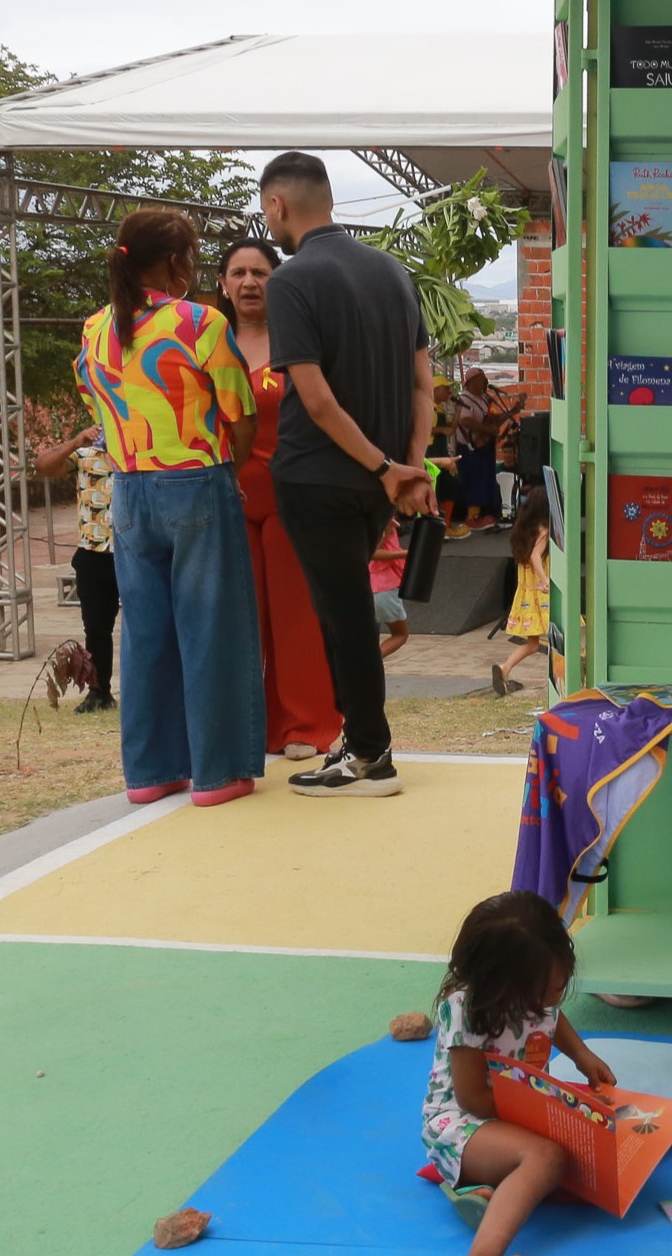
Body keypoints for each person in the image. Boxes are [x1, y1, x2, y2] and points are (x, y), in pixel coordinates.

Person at [72, 208, 262, 808]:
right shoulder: (200, 323)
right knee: (212, 628)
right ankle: (219, 772)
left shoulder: (96, 328)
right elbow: (240, 414)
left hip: (127, 490)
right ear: (178, 260)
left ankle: (152, 772)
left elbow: (94, 399)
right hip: (197, 482)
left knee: (147, 632)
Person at [260, 151, 435, 798]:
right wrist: (404, 464)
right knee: (347, 614)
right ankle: (358, 745)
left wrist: (388, 466)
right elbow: (424, 385)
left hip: (318, 476)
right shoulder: (392, 271)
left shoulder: (292, 279)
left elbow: (317, 398)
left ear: (278, 205)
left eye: (266, 208)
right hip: (374, 482)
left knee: (344, 619)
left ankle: (368, 754)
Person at [422, 891, 616, 1256]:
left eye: (560, 985)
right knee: (546, 1158)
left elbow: (554, 1018)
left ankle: (481, 1193)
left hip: (513, 1111)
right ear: (502, 985)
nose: (554, 997)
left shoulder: (537, 993)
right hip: (458, 1123)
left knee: (586, 1151)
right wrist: (543, 1115)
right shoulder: (468, 1011)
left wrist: (583, 1057)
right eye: (547, 990)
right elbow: (472, 1098)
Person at [220, 236, 342, 763]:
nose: (249, 282)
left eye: (260, 272)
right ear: (223, 285)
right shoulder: (206, 342)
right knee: (241, 620)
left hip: (291, 495)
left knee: (296, 617)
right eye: (239, 273)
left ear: (278, 281)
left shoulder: (298, 341)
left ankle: (306, 725)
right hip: (224, 498)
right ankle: (250, 726)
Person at [33, 424, 117, 714]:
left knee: (147, 627)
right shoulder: (85, 452)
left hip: (135, 552)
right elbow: (42, 465)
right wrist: (73, 442)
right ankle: (99, 691)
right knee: (96, 629)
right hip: (94, 552)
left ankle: (151, 692)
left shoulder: (140, 451)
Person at [493, 496, 549, 695]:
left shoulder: (523, 533)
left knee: (533, 644)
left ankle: (505, 667)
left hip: (526, 594)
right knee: (564, 636)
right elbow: (536, 555)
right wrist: (544, 580)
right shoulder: (544, 531)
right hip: (542, 594)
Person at [450, 368, 505, 534]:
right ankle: (472, 516)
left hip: (484, 446)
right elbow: (465, 420)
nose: (485, 381)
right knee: (474, 480)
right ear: (471, 382)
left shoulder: (485, 398)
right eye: (481, 379)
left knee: (486, 478)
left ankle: (485, 514)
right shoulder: (464, 399)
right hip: (469, 448)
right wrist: (487, 430)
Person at [371, 520, 409, 660]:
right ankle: (371, 662)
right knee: (400, 634)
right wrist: (404, 554)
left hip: (365, 586)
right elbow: (373, 552)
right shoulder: (384, 520)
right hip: (383, 587)